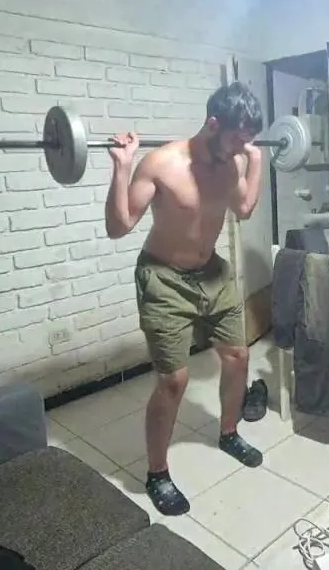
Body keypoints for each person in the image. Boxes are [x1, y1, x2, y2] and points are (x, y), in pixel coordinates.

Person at [104, 81, 267, 516]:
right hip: (164, 278)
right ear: (212, 124)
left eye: (247, 142)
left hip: (212, 272)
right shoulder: (161, 164)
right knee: (174, 380)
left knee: (238, 356)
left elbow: (244, 209)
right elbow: (118, 227)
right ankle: (157, 473)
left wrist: (257, 161)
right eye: (237, 139)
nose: (241, 148)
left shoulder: (233, 163)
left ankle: (229, 432)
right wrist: (122, 167)